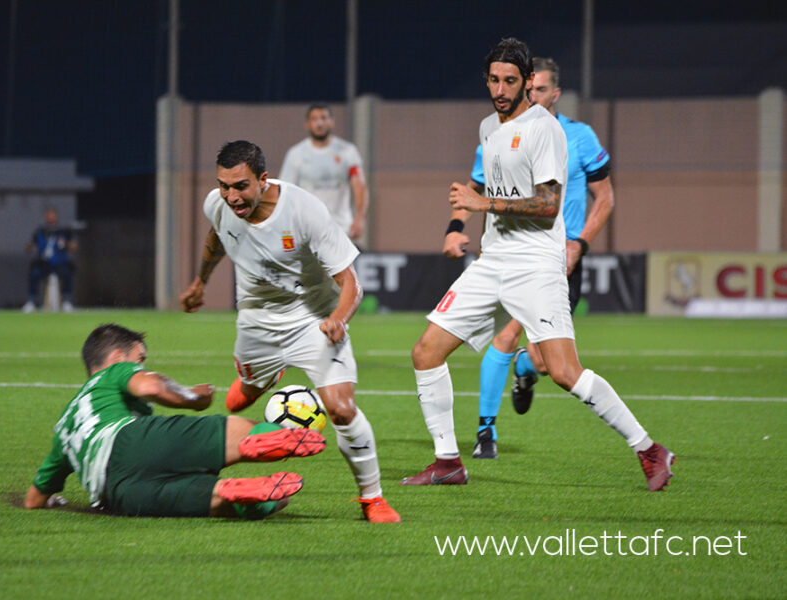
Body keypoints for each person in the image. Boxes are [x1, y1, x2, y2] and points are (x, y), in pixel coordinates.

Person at [402, 38, 675, 491]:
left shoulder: (544, 127)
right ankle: (448, 461)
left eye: (511, 80)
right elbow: (480, 191)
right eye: (494, 79)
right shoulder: (488, 127)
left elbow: (548, 206)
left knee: (565, 372)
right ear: (486, 80)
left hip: (536, 264)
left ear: (529, 83)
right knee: (425, 352)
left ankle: (650, 450)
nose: (502, 88)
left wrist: (480, 202)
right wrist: (458, 223)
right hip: (494, 261)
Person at [180, 140, 400, 522]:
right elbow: (218, 235)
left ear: (263, 179)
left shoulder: (304, 211)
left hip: (313, 321)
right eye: (224, 186)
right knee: (238, 400)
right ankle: (261, 377)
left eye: (241, 186)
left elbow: (352, 283)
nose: (231, 197)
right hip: (256, 322)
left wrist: (338, 319)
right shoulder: (217, 204)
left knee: (341, 409)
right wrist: (201, 280)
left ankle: (373, 498)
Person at [24, 323, 326, 519]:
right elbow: (150, 387)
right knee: (242, 431)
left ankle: (238, 496)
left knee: (223, 499)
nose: (141, 366)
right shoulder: (113, 372)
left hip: (119, 494)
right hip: (129, 440)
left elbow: (33, 498)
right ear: (118, 357)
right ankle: (264, 437)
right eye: (139, 360)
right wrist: (194, 398)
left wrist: (51, 501)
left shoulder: (64, 428)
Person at [471, 56, 616, 459]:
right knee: (504, 335)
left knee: (550, 364)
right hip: (517, 253)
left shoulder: (578, 136)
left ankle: (525, 369)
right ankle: (485, 433)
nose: (528, 94)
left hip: (561, 257)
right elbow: (482, 187)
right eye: (526, 88)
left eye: (537, 89)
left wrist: (579, 244)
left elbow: (605, 198)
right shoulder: (498, 132)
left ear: (554, 93)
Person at [279, 104, 369, 241]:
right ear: (307, 124)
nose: (319, 123)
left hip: (341, 228)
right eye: (314, 119)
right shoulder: (296, 154)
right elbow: (285, 192)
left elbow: (359, 185)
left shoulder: (348, 151)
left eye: (324, 118)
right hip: (307, 229)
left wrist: (360, 217)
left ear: (332, 122)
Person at [22, 207, 77, 313]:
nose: (50, 217)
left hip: (60, 263)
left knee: (67, 273)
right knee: (34, 273)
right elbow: (30, 246)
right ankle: (31, 301)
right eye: (48, 215)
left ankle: (66, 301)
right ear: (45, 217)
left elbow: (74, 247)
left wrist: (66, 243)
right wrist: (29, 246)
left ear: (56, 217)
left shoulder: (64, 231)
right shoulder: (40, 231)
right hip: (44, 264)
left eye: (52, 215)